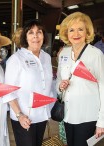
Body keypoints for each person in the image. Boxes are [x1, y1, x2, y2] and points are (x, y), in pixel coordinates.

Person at [56, 12, 104, 146]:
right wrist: (60, 86)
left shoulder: (96, 54)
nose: (76, 34)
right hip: (67, 115)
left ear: (87, 32)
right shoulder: (64, 53)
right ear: (66, 33)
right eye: (71, 30)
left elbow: (103, 87)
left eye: (80, 29)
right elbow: (59, 79)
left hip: (88, 115)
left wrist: (101, 122)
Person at [4, 19, 54, 146]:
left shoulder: (46, 57)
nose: (35, 36)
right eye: (31, 32)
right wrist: (19, 115)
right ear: (25, 37)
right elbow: (8, 91)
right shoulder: (16, 59)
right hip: (24, 117)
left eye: (39, 32)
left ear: (44, 36)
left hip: (42, 115)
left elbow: (48, 84)